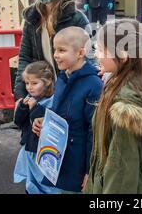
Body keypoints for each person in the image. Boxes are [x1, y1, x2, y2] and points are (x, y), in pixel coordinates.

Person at [84, 19, 142, 194]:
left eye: (100, 49)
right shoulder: (136, 85)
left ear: (123, 55)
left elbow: (120, 171)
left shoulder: (124, 108)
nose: (96, 55)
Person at [32, 26, 103, 194]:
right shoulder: (63, 78)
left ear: (80, 53)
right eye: (55, 49)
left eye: (62, 50)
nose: (55, 55)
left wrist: (89, 171)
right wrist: (45, 122)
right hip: (60, 158)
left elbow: (95, 132)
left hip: (78, 162)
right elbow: (59, 114)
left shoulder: (94, 86)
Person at [14, 0, 91, 103]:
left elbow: (89, 58)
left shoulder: (77, 19)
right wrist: (20, 93)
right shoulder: (32, 18)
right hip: (42, 94)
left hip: (70, 91)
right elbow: (25, 57)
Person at [13, 60, 63, 194]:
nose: (29, 87)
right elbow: (19, 122)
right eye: (27, 83)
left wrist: (35, 107)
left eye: (34, 83)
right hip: (29, 149)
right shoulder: (29, 97)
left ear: (47, 82)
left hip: (44, 152)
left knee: (46, 183)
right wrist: (23, 107)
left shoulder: (54, 101)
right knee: (31, 182)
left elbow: (44, 123)